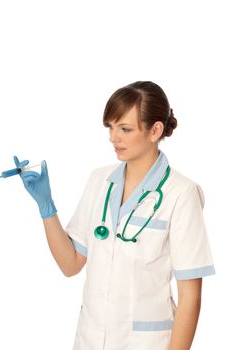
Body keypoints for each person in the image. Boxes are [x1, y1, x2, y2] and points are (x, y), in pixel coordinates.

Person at [14, 81, 215, 350]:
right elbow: (70, 264)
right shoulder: (100, 181)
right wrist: (46, 208)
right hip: (90, 340)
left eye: (125, 129)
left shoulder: (181, 193)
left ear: (155, 130)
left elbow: (191, 297)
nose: (113, 137)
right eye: (110, 127)